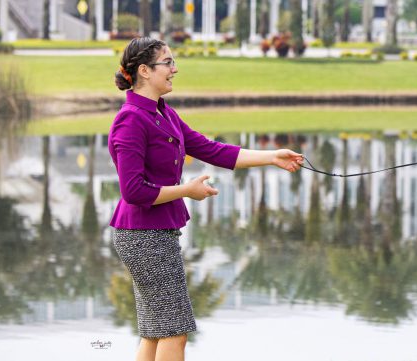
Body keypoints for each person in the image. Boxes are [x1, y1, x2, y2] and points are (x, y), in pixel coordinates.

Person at [109, 37, 303, 361]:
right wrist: (186, 190)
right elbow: (134, 191)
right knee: (174, 332)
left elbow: (213, 150)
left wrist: (272, 156)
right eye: (168, 63)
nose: (175, 69)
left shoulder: (164, 113)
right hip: (143, 237)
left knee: (157, 331)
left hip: (152, 234)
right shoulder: (130, 119)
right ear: (144, 70)